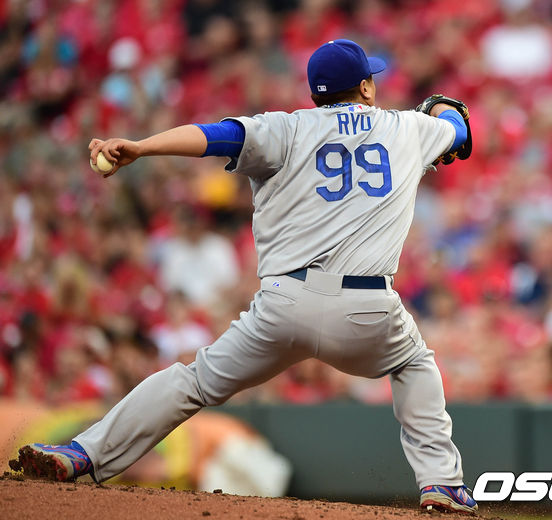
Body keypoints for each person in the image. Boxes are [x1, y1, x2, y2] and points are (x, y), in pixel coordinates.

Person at [14, 39, 477, 515]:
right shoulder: (407, 128)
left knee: (193, 382)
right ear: (365, 87)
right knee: (413, 364)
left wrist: (143, 147)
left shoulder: (286, 128)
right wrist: (440, 111)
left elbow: (214, 136)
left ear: (315, 93)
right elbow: (459, 128)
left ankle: (83, 453)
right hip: (367, 309)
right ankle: (441, 483)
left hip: (283, 304)